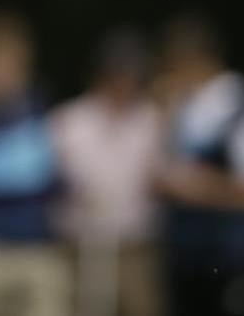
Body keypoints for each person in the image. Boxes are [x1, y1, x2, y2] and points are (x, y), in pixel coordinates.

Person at [0, 11, 68, 316]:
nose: (3, 74)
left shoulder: (37, 107)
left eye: (12, 64)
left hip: (37, 249)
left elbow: (49, 179)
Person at [152, 14, 244, 316]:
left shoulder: (240, 105)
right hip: (186, 261)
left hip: (231, 261)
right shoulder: (179, 109)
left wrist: (195, 189)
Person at [50, 27, 163, 316]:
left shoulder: (149, 119)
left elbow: (158, 176)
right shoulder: (70, 121)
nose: (125, 81)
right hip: (79, 248)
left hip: (133, 248)